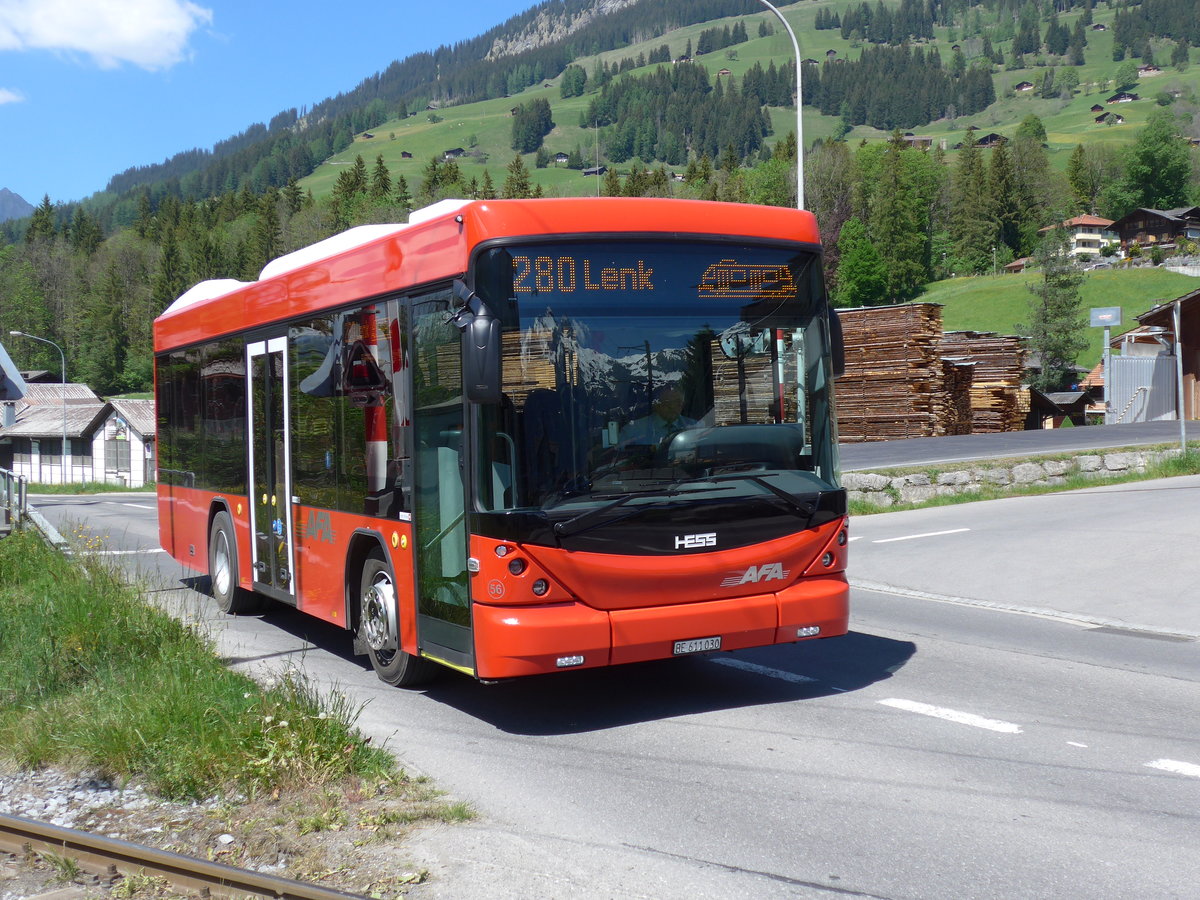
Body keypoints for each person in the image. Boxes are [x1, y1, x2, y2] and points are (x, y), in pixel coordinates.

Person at [618, 383, 695, 447]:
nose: (673, 407)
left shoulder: (695, 427)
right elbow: (618, 455)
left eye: (678, 403)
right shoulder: (632, 431)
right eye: (668, 403)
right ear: (657, 405)